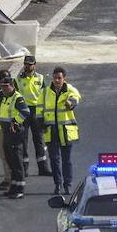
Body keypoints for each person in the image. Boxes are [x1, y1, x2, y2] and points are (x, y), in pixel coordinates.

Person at [0, 74, 31, 199]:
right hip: (6, 132)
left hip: (15, 134)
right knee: (10, 161)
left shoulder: (17, 98)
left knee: (17, 162)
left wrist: (16, 121)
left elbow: (25, 112)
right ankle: (13, 187)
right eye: (2, 87)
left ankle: (20, 188)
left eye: (6, 87)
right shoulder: (4, 98)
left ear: (12, 86)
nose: (4, 89)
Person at [41, 67, 83, 196]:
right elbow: (39, 108)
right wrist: (39, 122)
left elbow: (76, 97)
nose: (57, 80)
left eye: (59, 78)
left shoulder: (70, 89)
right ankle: (57, 184)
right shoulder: (45, 92)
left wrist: (70, 102)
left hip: (65, 131)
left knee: (66, 160)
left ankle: (67, 185)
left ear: (64, 78)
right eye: (55, 78)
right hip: (51, 131)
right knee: (54, 160)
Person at [16, 55, 50, 178]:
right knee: (23, 141)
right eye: (26, 64)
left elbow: (46, 96)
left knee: (39, 141)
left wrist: (45, 116)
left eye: (30, 64)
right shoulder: (18, 79)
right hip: (23, 111)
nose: (28, 66)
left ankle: (43, 168)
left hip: (37, 112)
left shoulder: (40, 79)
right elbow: (15, 96)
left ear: (35, 65)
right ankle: (24, 169)